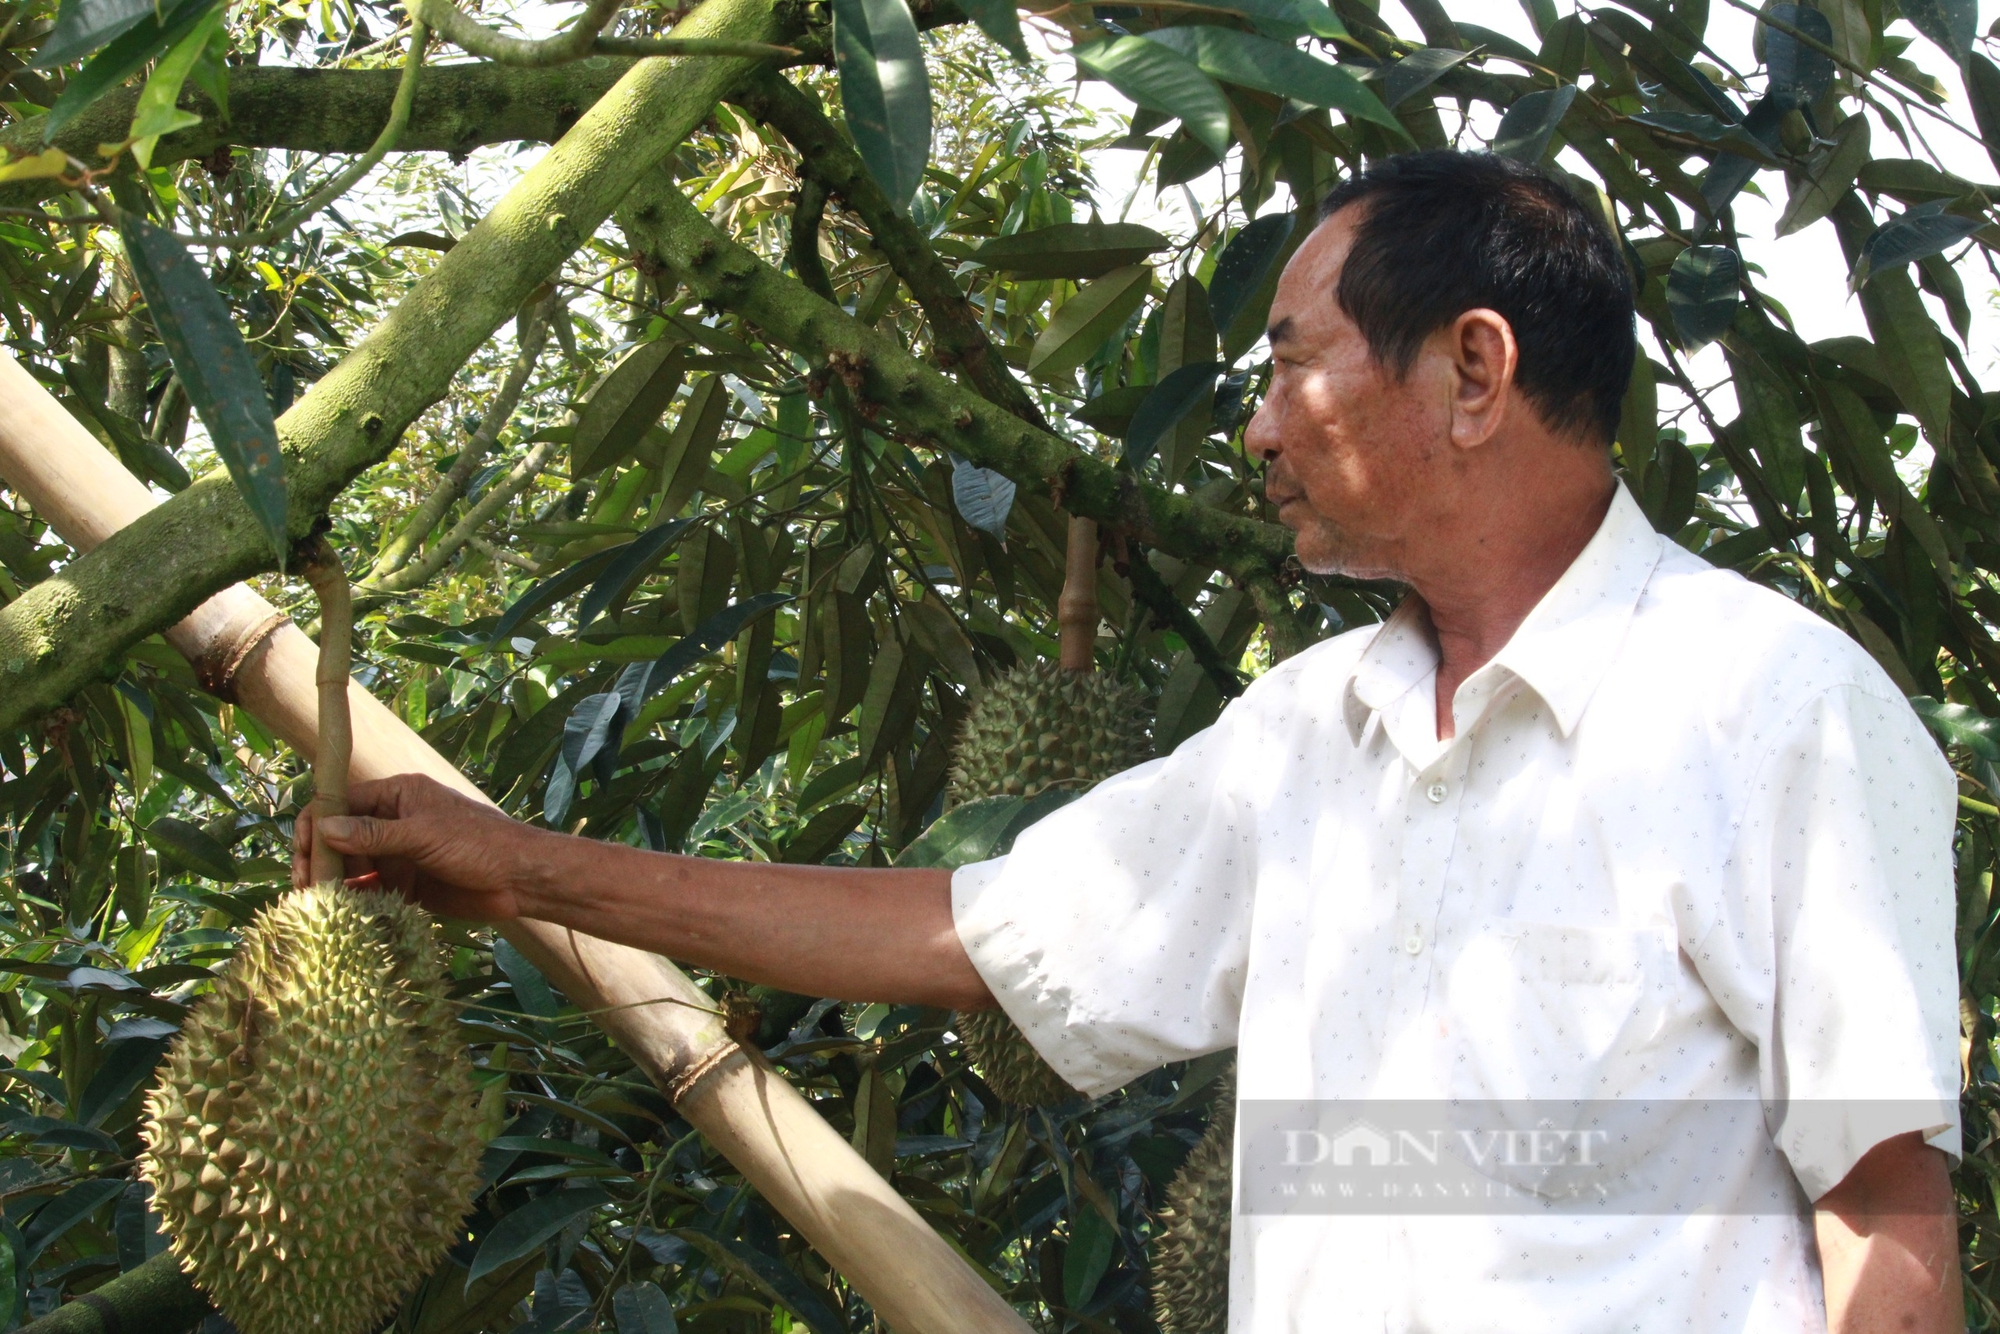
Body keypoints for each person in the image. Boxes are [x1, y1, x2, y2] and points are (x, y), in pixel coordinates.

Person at [294, 151, 1962, 1332]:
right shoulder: (1311, 738)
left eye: (1290, 364)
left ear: (1473, 370)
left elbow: (1886, 1226)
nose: (1250, 424)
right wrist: (516, 867)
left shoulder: (1783, 713)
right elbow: (962, 930)